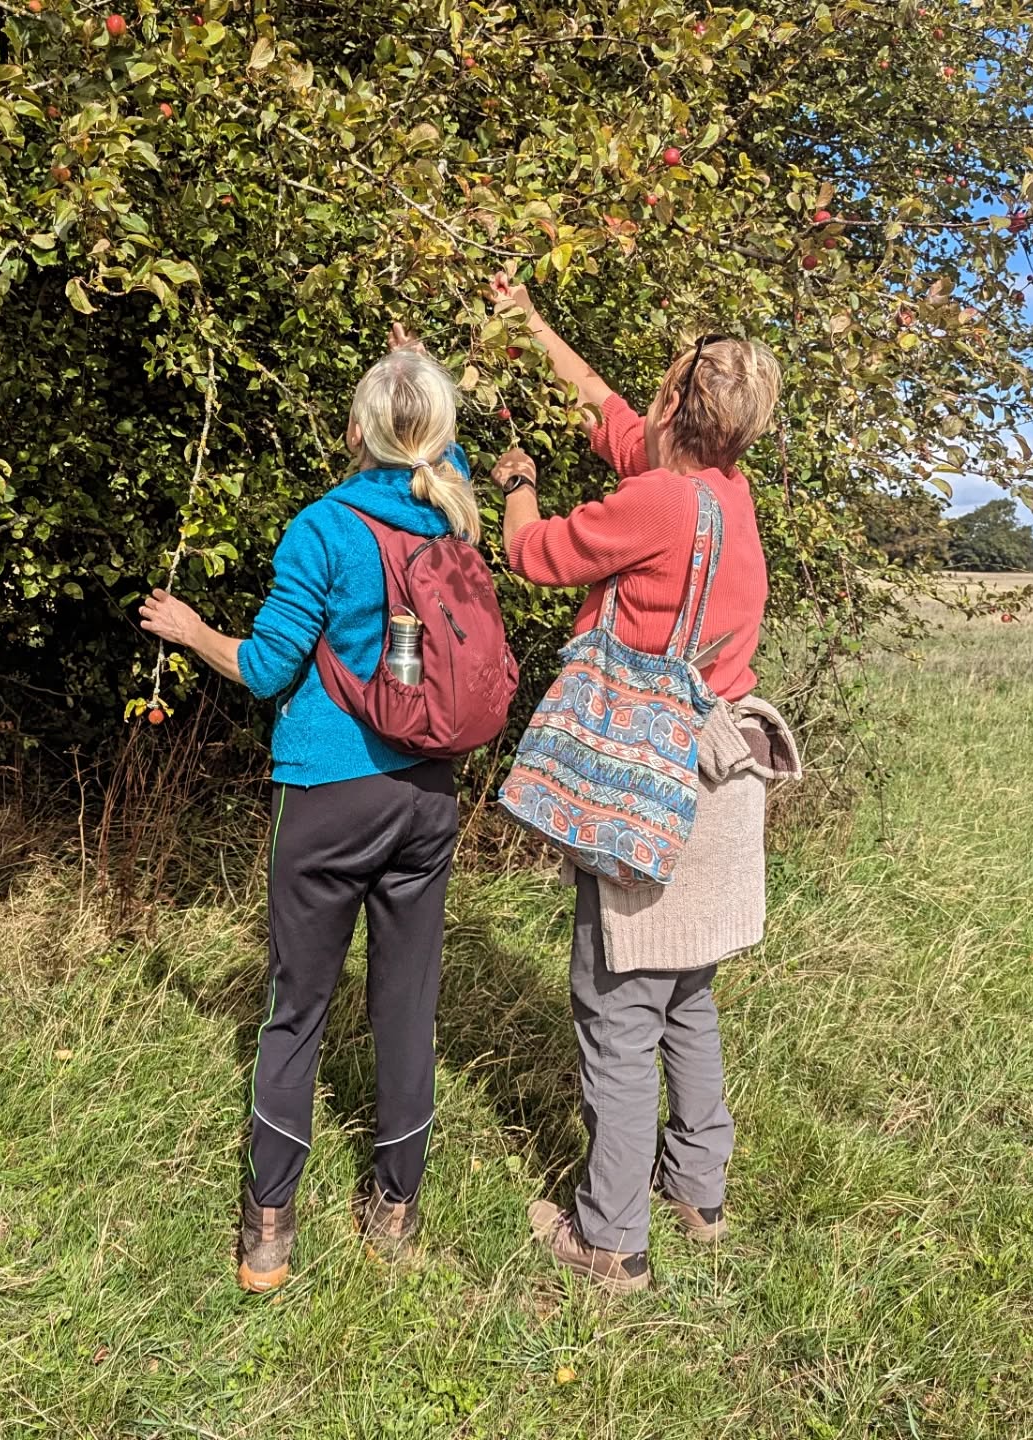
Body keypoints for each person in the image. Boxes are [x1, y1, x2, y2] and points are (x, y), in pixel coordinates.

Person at [139, 332, 477, 1292]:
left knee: (297, 1010)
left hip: (328, 798)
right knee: (407, 1005)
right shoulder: (448, 518)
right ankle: (395, 1213)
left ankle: (271, 1232)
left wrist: (189, 628)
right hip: (427, 797)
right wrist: (418, 370)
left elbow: (264, 669)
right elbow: (435, 453)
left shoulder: (323, 528)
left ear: (354, 431)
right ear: (435, 436)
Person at [488, 275, 800, 1294]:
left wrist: (516, 481)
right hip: (724, 780)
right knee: (687, 992)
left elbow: (534, 555)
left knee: (616, 1006)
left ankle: (610, 1239)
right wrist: (529, 324)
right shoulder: (722, 492)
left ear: (677, 405)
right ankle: (697, 1188)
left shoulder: (657, 502)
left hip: (646, 781)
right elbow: (609, 413)